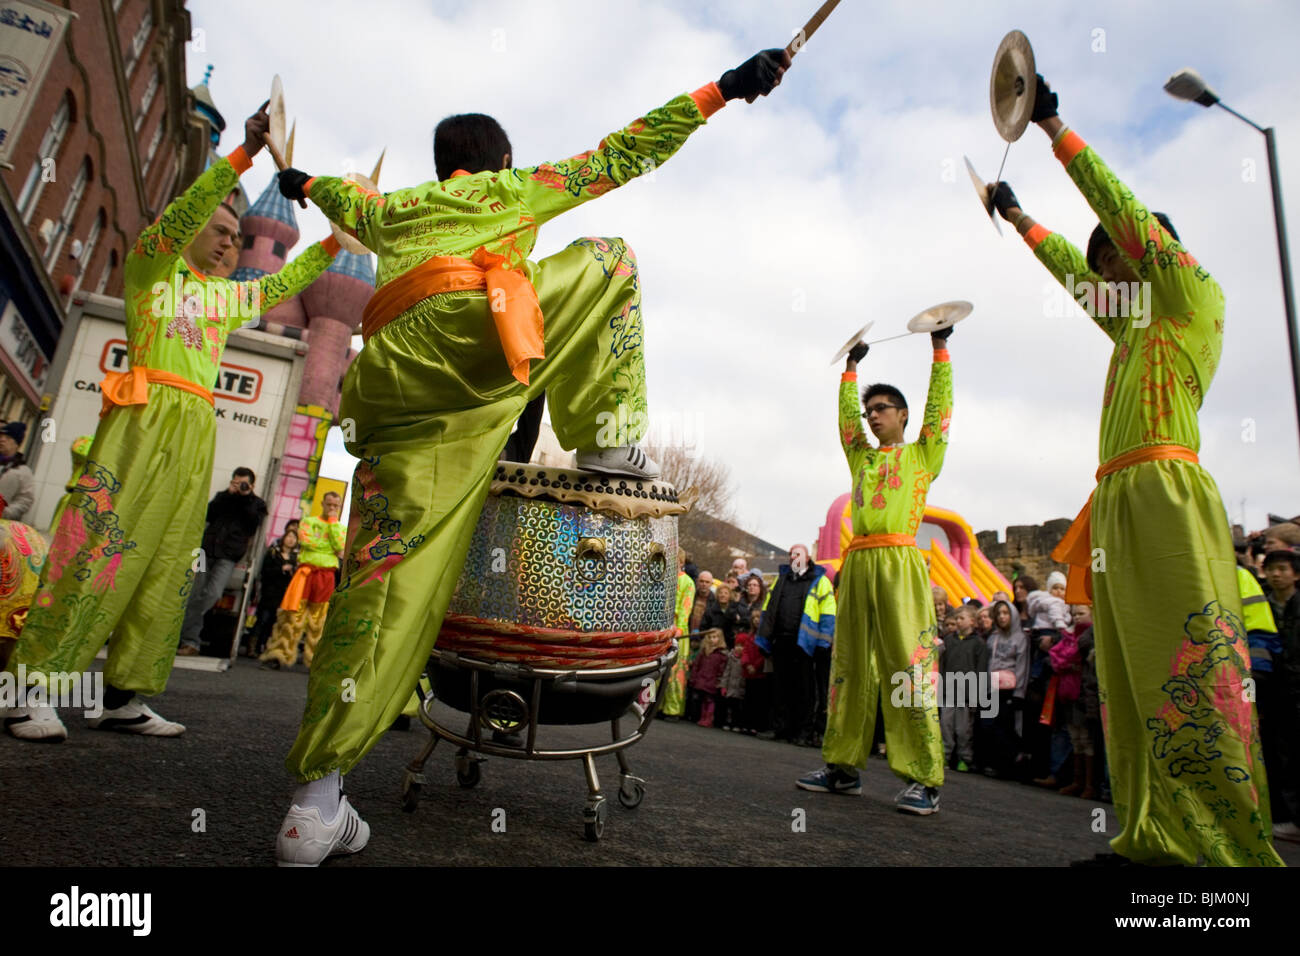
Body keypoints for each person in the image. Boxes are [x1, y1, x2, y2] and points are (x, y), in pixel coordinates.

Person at [269, 50, 791, 864]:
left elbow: (325, 192)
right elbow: (629, 149)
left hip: (393, 399)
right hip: (471, 352)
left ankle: (314, 799)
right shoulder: (513, 189)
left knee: (376, 595)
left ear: (442, 165)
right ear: (499, 163)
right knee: (612, 258)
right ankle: (611, 436)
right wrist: (726, 87)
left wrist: (291, 173)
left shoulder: (393, 207)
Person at [992, 73, 1281, 866]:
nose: (1104, 272)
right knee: (1125, 680)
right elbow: (1068, 270)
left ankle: (1223, 852)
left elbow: (1121, 209)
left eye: (1115, 255)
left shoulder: (1191, 295)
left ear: (1154, 250)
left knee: (1192, 666)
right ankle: (1152, 836)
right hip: (1115, 495)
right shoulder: (1130, 331)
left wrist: (1052, 124)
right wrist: (1018, 218)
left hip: (1164, 488)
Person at [3, 104, 339, 743]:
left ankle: (123, 695)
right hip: (140, 422)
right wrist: (240, 156)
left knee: (165, 566)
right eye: (216, 229)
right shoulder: (151, 275)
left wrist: (333, 244)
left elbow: (286, 279)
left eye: (235, 237)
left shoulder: (225, 298)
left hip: (193, 433)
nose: (225, 241)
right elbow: (188, 210)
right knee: (95, 554)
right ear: (182, 231)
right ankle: (28, 691)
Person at [798, 323, 953, 814]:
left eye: (881, 409)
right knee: (849, 667)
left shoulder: (924, 454)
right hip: (858, 563)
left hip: (900, 562)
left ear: (903, 414)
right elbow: (845, 425)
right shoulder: (861, 458)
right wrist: (850, 370)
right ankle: (843, 768)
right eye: (869, 412)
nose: (872, 417)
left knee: (909, 663)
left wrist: (940, 347)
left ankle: (924, 779)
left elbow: (940, 411)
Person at [177, 468, 268, 656]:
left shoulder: (257, 503)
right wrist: (228, 494)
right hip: (204, 551)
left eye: (243, 483)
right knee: (193, 593)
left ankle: (180, 630)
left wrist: (245, 496)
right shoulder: (223, 496)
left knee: (213, 593)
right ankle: (190, 641)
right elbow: (208, 515)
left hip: (228, 556)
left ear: (251, 485)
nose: (239, 486)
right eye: (236, 482)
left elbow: (252, 524)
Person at [758, 544, 835, 747]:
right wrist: (764, 637)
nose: (795, 558)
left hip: (806, 644)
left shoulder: (820, 581)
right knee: (781, 687)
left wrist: (823, 641)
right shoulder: (780, 579)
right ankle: (780, 728)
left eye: (799, 554)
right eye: (792, 554)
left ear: (808, 558)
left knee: (805, 690)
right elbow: (768, 608)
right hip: (781, 639)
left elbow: (828, 614)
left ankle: (803, 731)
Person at [259, 493, 345, 670]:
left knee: (320, 619)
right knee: (292, 615)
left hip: (326, 576)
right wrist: (328, 547)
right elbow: (307, 542)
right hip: (305, 574)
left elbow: (339, 546)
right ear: (322, 503)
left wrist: (332, 524)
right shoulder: (308, 522)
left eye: (335, 506)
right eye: (329, 504)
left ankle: (316, 661)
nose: (331, 508)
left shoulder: (340, 527)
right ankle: (278, 655)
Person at [1262, 550, 1300, 842]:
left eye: (1282, 569)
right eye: (1271, 569)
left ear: (1295, 574)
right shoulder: (1262, 605)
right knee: (1281, 754)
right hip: (1275, 691)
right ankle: (1289, 817)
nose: (1276, 574)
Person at [938, 604, 987, 773]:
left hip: (966, 694)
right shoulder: (949, 640)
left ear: (972, 621)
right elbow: (942, 665)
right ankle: (945, 755)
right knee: (945, 724)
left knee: (963, 729)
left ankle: (964, 758)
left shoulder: (978, 643)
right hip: (948, 691)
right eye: (956, 618)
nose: (958, 621)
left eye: (961, 618)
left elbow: (981, 669)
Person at [982, 599, 1027, 778]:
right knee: (989, 725)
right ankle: (995, 763)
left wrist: (1019, 693)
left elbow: (1022, 665)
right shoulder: (993, 637)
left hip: (1010, 687)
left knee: (1005, 726)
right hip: (991, 686)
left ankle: (1012, 763)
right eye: (999, 613)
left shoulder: (1020, 638)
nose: (1001, 617)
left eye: (1005, 613)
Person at [246, 529, 300, 657]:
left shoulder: (295, 558)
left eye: (294, 537)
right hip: (269, 592)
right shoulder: (273, 553)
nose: (291, 539)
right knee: (262, 619)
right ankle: (251, 646)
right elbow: (265, 571)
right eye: (289, 536)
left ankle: (263, 647)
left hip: (283, 594)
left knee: (273, 623)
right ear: (284, 538)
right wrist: (280, 569)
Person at [661, 548, 695, 719]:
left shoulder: (688, 582)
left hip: (676, 630)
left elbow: (685, 609)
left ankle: (672, 709)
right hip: (661, 629)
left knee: (675, 671)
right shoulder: (664, 579)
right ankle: (654, 704)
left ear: (681, 562)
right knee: (658, 669)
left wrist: (679, 629)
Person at [0, 422, 35, 522]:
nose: (2, 439)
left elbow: (25, 500)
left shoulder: (23, 471)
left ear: (16, 443)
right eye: (1, 436)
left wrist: (6, 512)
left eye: (8, 437)